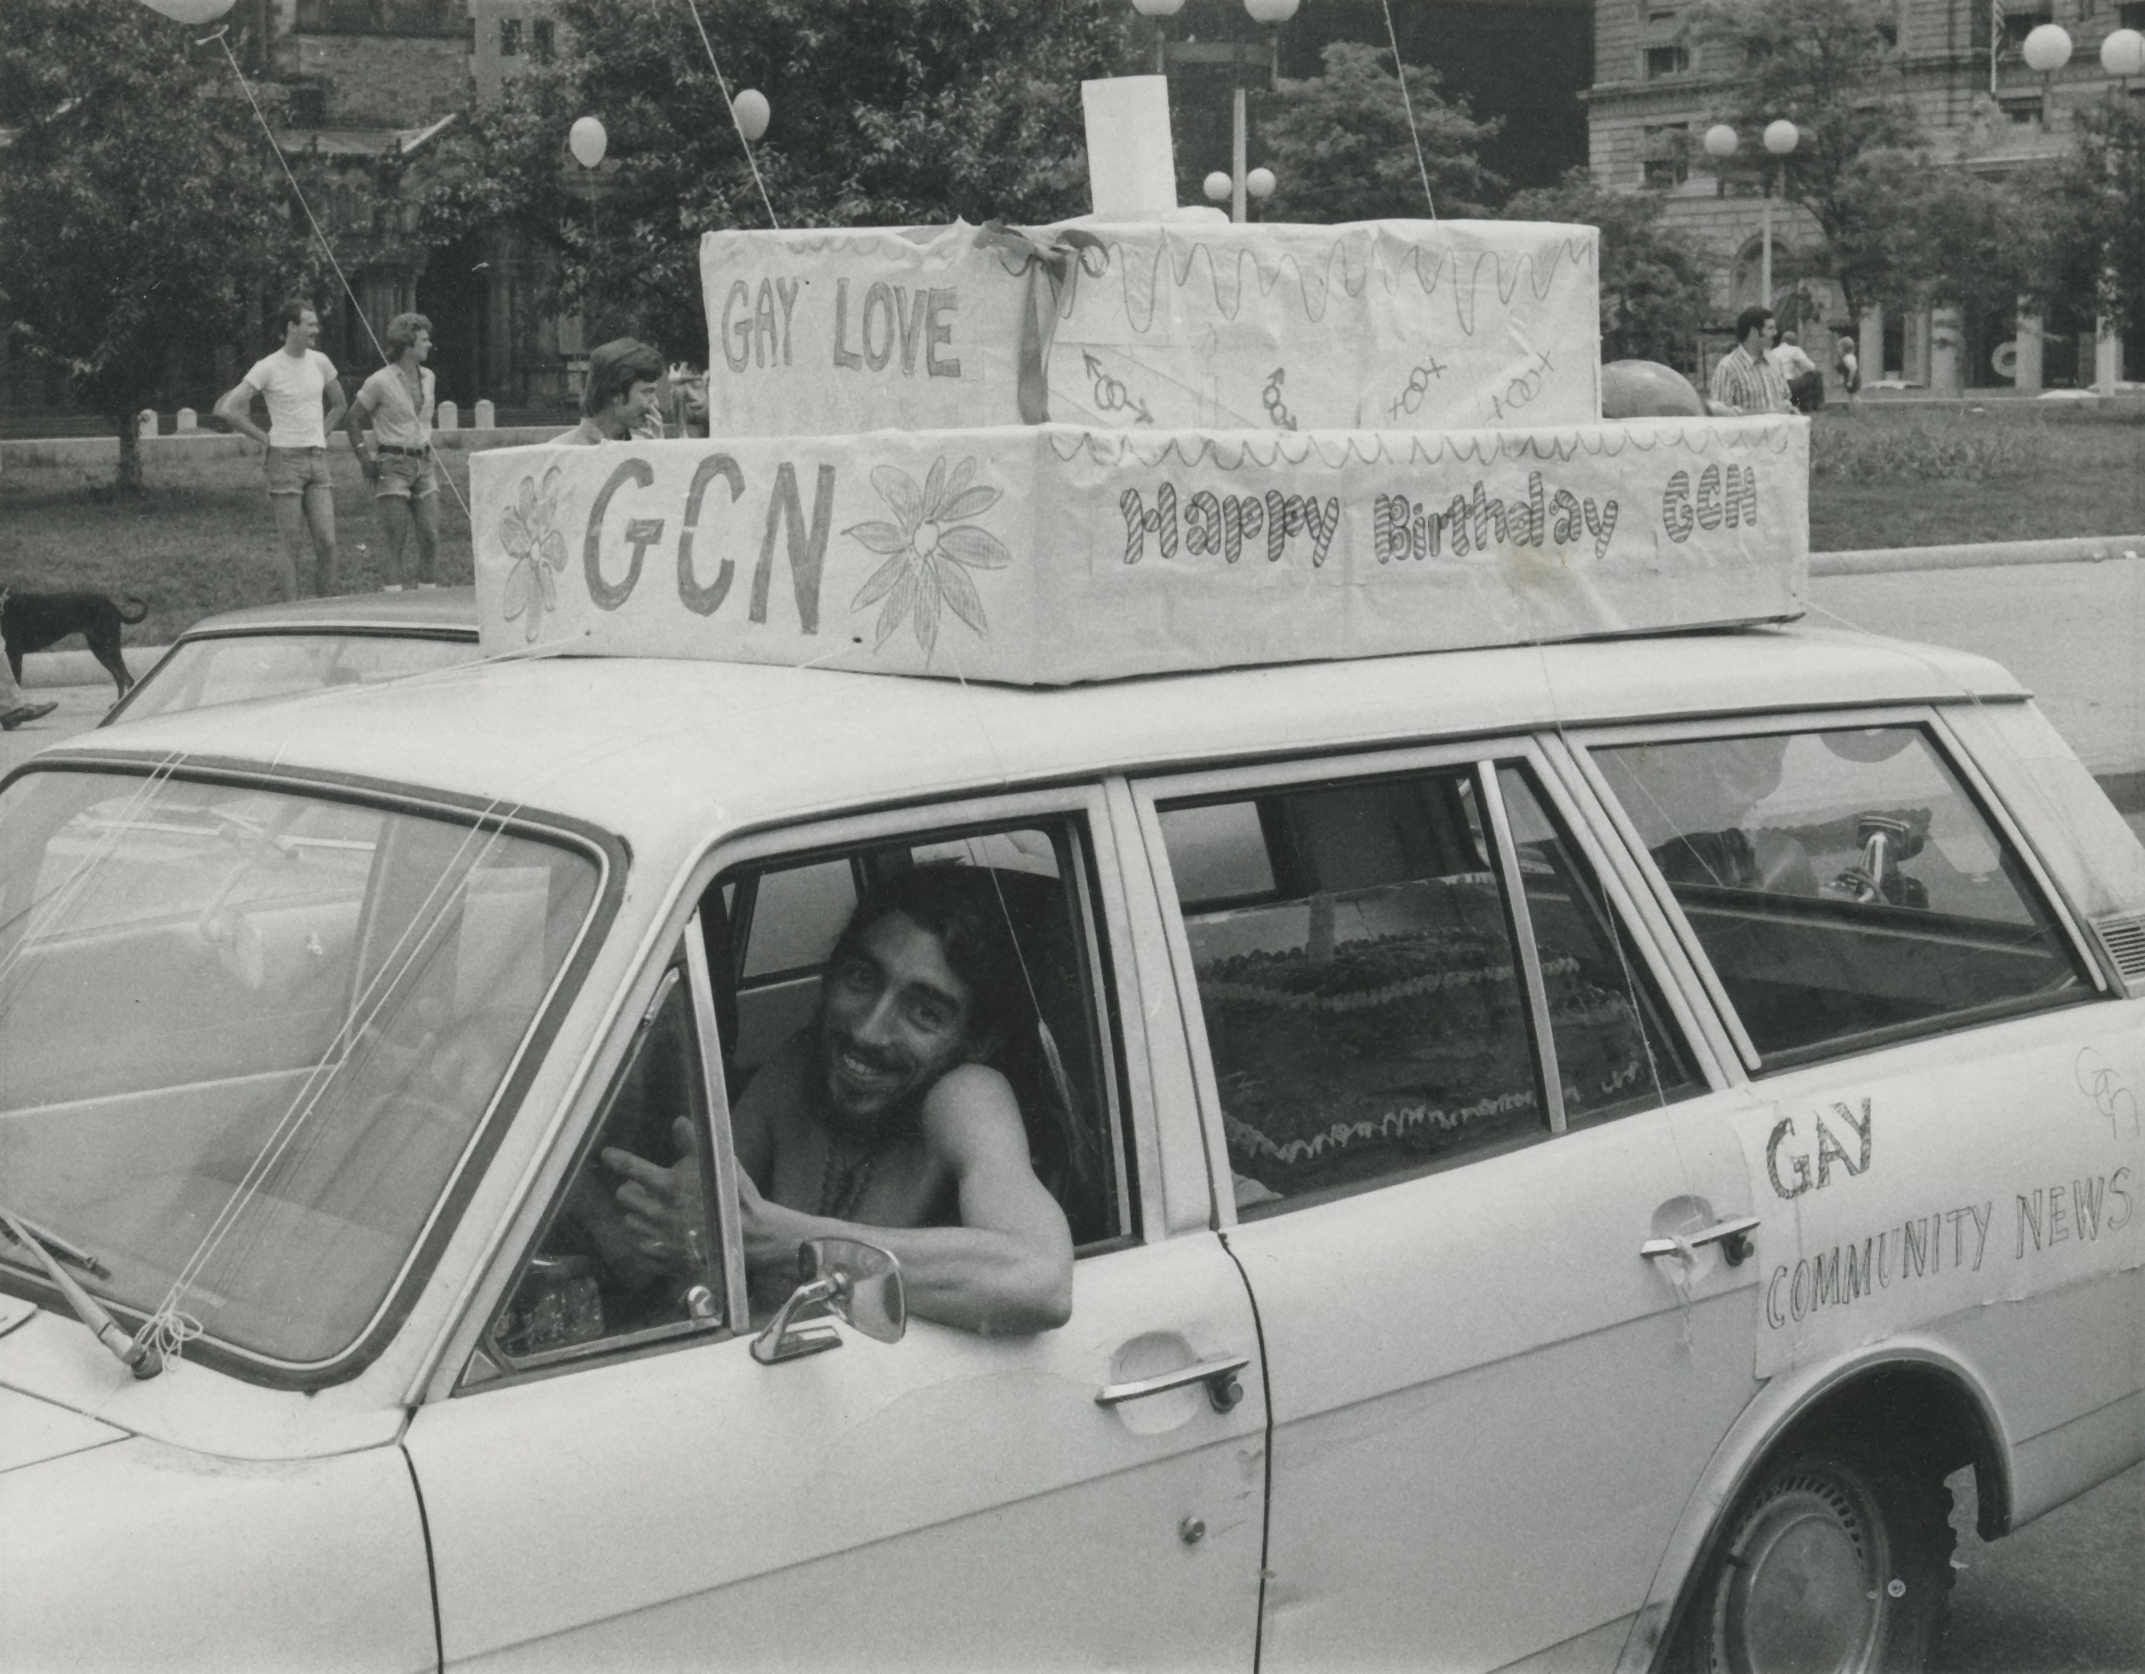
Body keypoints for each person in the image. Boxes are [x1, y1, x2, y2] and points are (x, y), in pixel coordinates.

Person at [603, 866, 1077, 1337]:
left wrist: (780, 1240)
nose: (868, 1030)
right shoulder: (797, 1071)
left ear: (978, 1040)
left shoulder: (966, 1096)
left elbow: (1041, 1280)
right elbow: (668, 1244)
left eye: (924, 1012)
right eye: (860, 979)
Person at [216, 300, 347, 600]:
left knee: (327, 542)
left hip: (317, 459)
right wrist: (266, 439)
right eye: (310, 324)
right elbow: (228, 408)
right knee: (291, 544)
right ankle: (293, 613)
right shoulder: (268, 367)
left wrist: (321, 434)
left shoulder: (320, 362)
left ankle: (326, 611)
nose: (317, 329)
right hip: (284, 462)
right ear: (292, 327)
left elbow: (340, 404)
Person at [342, 312, 441, 591]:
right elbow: (352, 417)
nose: (429, 344)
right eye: (423, 340)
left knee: (431, 537)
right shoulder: (380, 381)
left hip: (424, 463)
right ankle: (394, 603)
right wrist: (364, 457)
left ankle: (427, 599)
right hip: (392, 464)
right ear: (408, 345)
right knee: (396, 539)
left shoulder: (429, 377)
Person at [553, 338, 666, 444]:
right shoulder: (560, 453)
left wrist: (657, 451)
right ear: (612, 395)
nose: (655, 403)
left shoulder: (645, 446)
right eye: (646, 391)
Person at [1707, 305, 1791, 417]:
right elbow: (1720, 414)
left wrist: (1790, 409)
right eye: (1770, 328)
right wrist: (1766, 413)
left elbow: (1785, 399)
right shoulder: (1728, 367)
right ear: (1754, 332)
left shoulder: (1774, 362)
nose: (1775, 333)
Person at [1771, 329, 1824, 414]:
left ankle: (1802, 404)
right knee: (1816, 374)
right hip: (1788, 384)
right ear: (1792, 341)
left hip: (1776, 386)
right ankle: (1816, 406)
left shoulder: (1773, 351)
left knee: (1802, 381)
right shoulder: (1794, 349)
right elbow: (1811, 367)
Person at [1836, 334, 1862, 403]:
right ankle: (1853, 405)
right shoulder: (1848, 357)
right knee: (1851, 395)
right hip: (1851, 378)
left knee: (1852, 394)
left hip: (1852, 379)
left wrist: (1850, 380)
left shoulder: (1848, 358)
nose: (1838, 350)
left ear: (1844, 348)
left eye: (1839, 348)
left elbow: (1852, 369)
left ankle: (1857, 404)